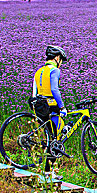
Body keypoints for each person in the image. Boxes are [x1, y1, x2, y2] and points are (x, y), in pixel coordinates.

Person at [32, 45, 68, 180]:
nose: (61, 63)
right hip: (51, 106)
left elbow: (34, 92)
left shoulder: (39, 71)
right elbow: (54, 89)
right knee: (55, 138)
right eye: (62, 60)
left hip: (39, 106)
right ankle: (49, 171)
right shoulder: (54, 70)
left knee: (47, 138)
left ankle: (47, 171)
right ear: (57, 58)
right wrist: (62, 107)